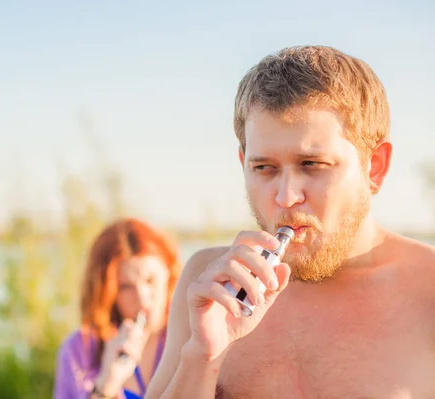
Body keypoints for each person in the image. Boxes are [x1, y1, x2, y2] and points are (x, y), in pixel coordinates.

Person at [144, 45, 435, 398]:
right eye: (264, 168)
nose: (285, 197)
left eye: (312, 165)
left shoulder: (428, 293)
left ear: (374, 167)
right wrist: (201, 357)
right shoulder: (208, 282)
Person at [53, 217, 183, 399]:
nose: (142, 298)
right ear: (106, 292)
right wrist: (106, 383)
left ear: (169, 275)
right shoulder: (79, 350)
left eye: (150, 280)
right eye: (125, 287)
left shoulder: (190, 338)